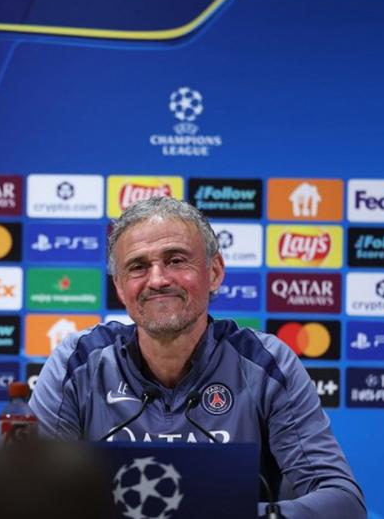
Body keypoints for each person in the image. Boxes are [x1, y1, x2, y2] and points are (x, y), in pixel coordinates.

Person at [29, 196, 366, 519]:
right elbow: (24, 494)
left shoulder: (266, 363)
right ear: (119, 286)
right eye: (138, 267)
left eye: (176, 260)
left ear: (215, 271)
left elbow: (342, 503)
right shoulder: (78, 361)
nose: (158, 279)